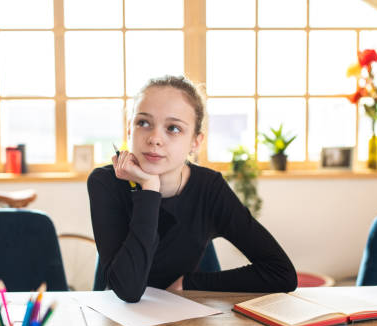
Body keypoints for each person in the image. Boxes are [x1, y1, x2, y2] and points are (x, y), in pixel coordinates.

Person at [87, 75, 296, 303]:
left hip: (186, 319)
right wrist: (149, 190)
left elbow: (281, 273)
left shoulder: (209, 189)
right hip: (117, 321)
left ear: (195, 142)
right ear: (130, 130)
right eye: (143, 123)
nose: (155, 138)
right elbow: (129, 290)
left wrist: (192, 283)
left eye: (173, 128)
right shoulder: (105, 182)